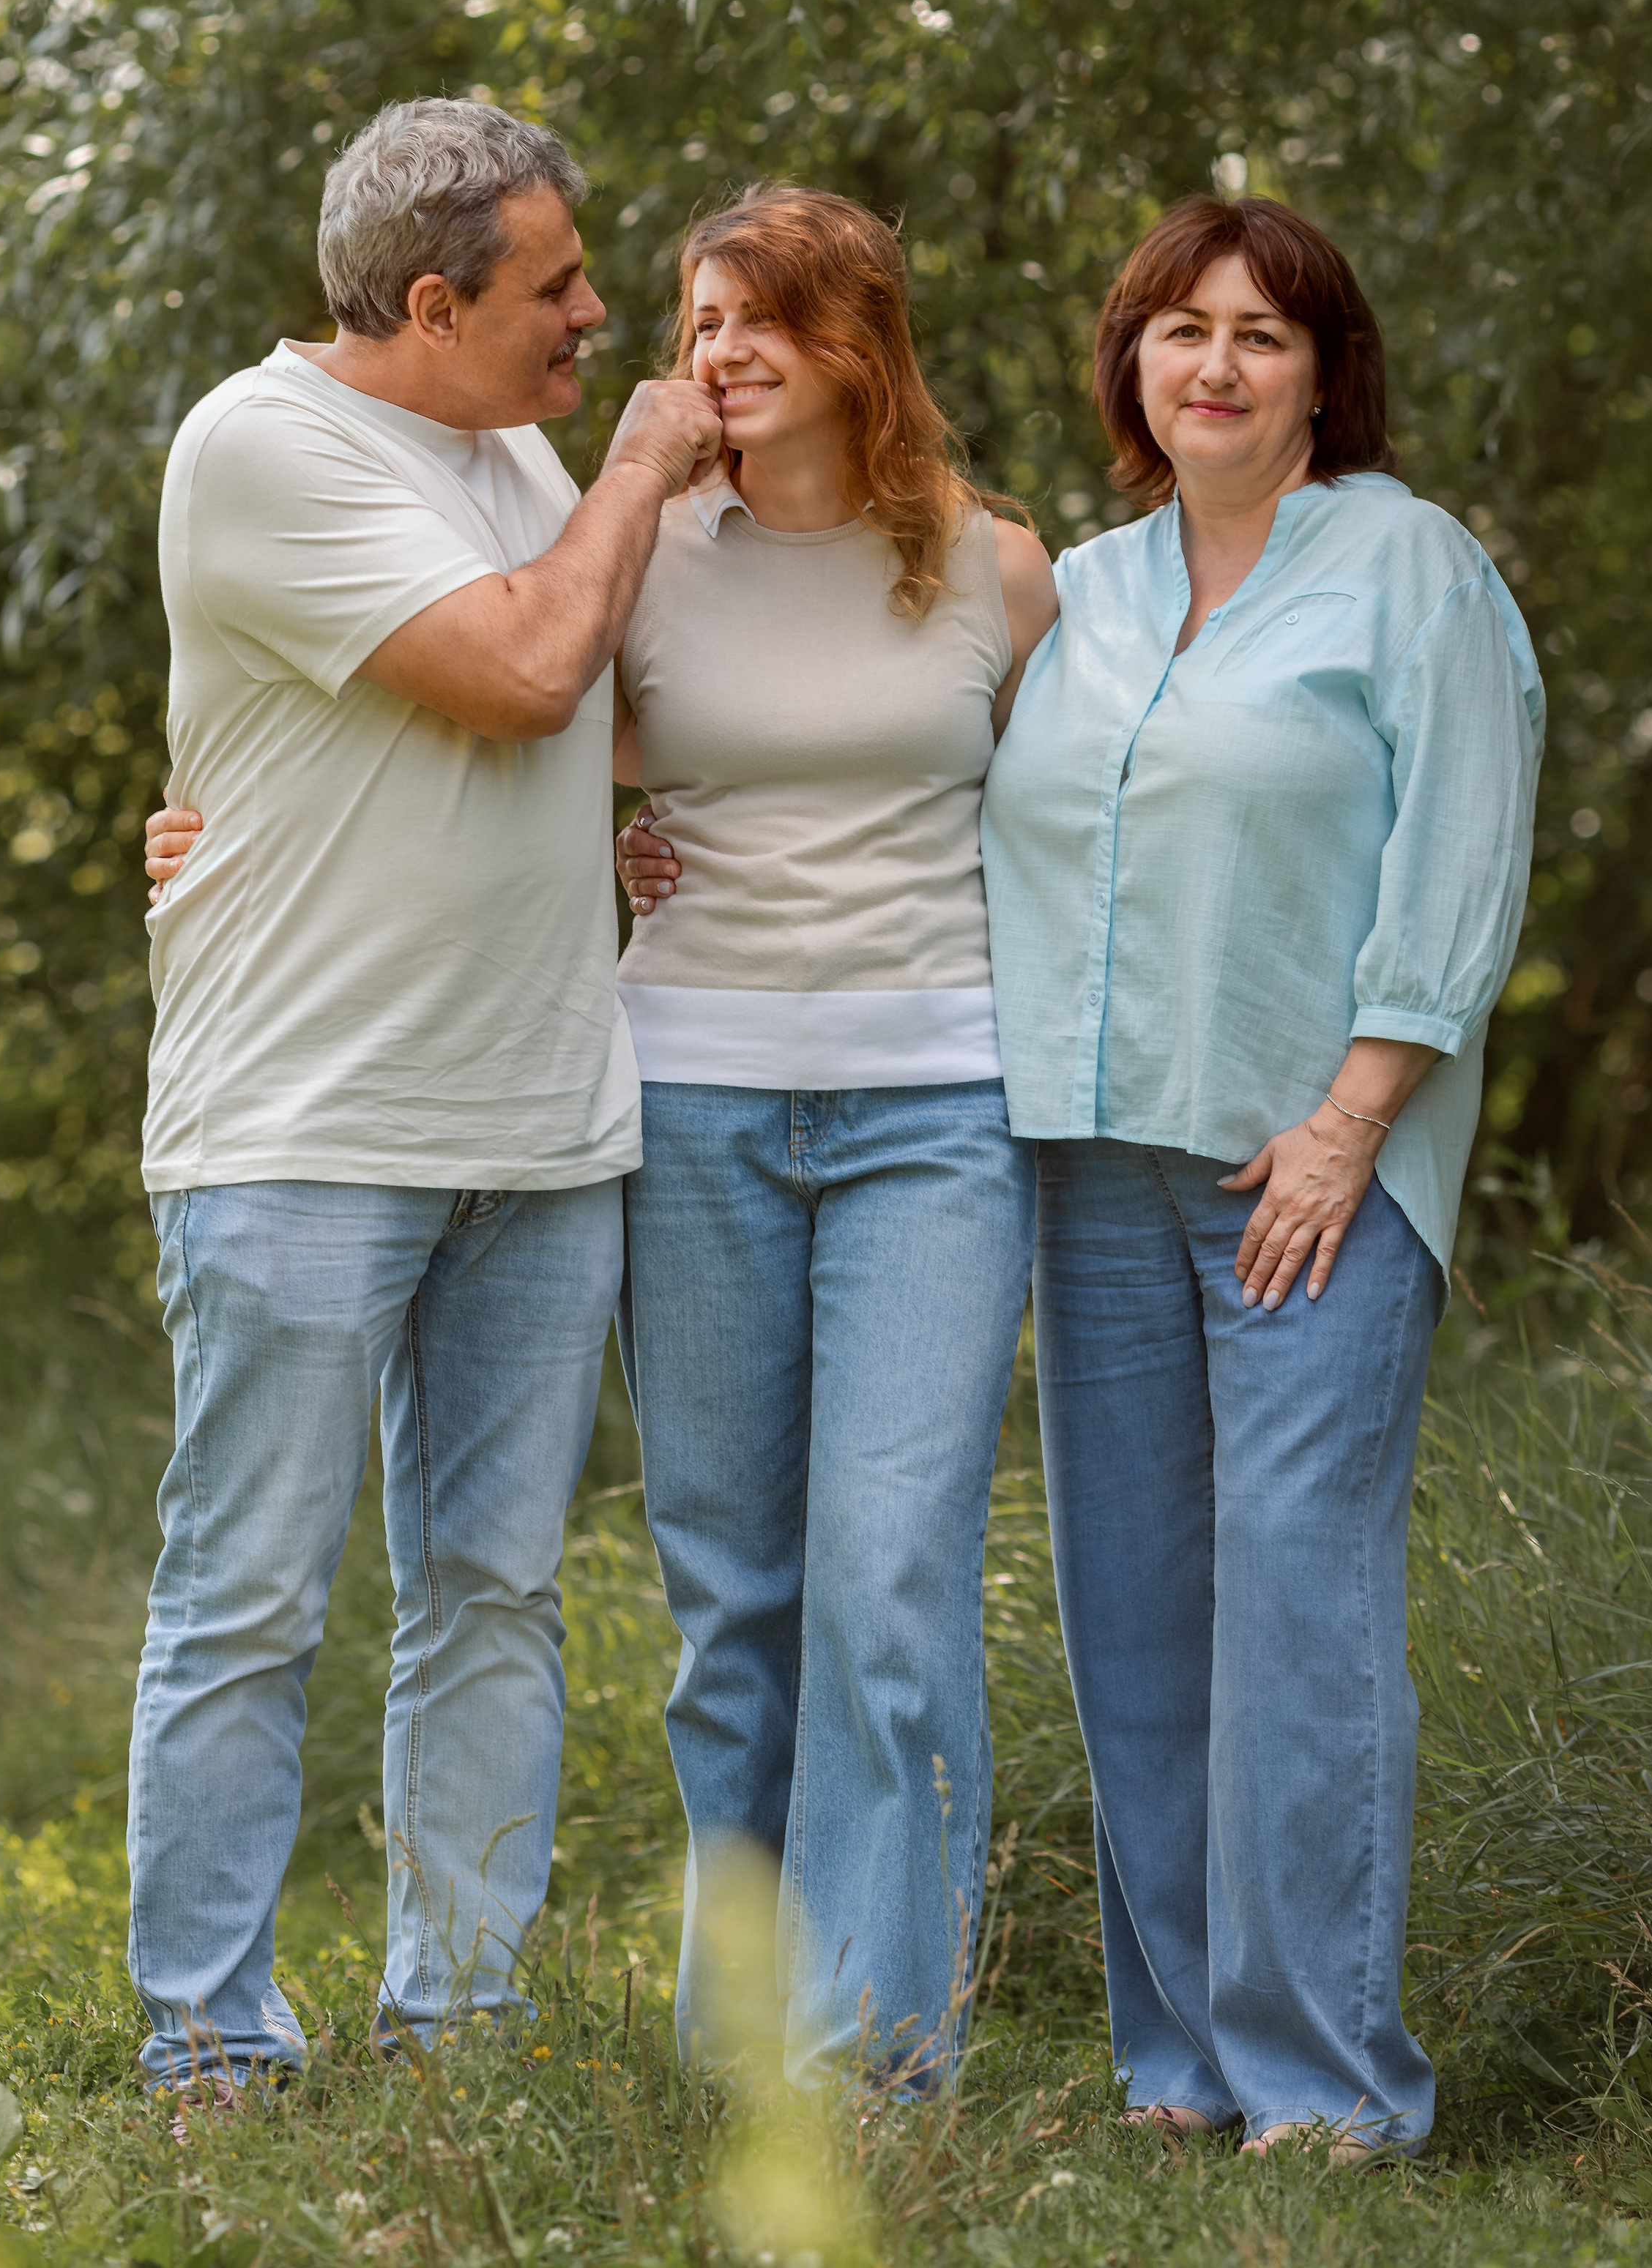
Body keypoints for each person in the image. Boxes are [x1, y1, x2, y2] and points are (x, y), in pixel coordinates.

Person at [130, 96, 721, 2104]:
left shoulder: (506, 439)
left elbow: (591, 715)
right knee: (252, 1596)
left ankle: (456, 2019)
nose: (598, 317)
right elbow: (531, 666)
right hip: (308, 1127)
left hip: (539, 1125)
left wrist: (621, 837)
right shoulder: (267, 445)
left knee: (494, 1595)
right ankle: (211, 2039)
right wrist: (641, 467)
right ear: (435, 298)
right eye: (558, 288)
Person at [979, 194, 1543, 2161]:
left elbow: (1463, 857)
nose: (1212, 364)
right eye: (1177, 329)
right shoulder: (1088, 590)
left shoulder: (1412, 569)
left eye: (1261, 336)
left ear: (1324, 377)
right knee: (1135, 1624)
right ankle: (1187, 2065)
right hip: (1091, 1172)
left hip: (1308, 1170)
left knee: (1297, 1617)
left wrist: (1355, 1116)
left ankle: (1327, 2086)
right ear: (1132, 363)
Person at [609, 186, 1057, 2087]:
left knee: (889, 1572)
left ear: (859, 344)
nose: (721, 352)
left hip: (938, 1116)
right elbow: (492, 746)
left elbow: (1085, 820)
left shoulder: (1000, 568)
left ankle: (879, 2048)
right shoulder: (636, 555)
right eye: (703, 319)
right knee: (732, 1590)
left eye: (762, 321)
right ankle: (741, 2037)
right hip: (693, 1098)